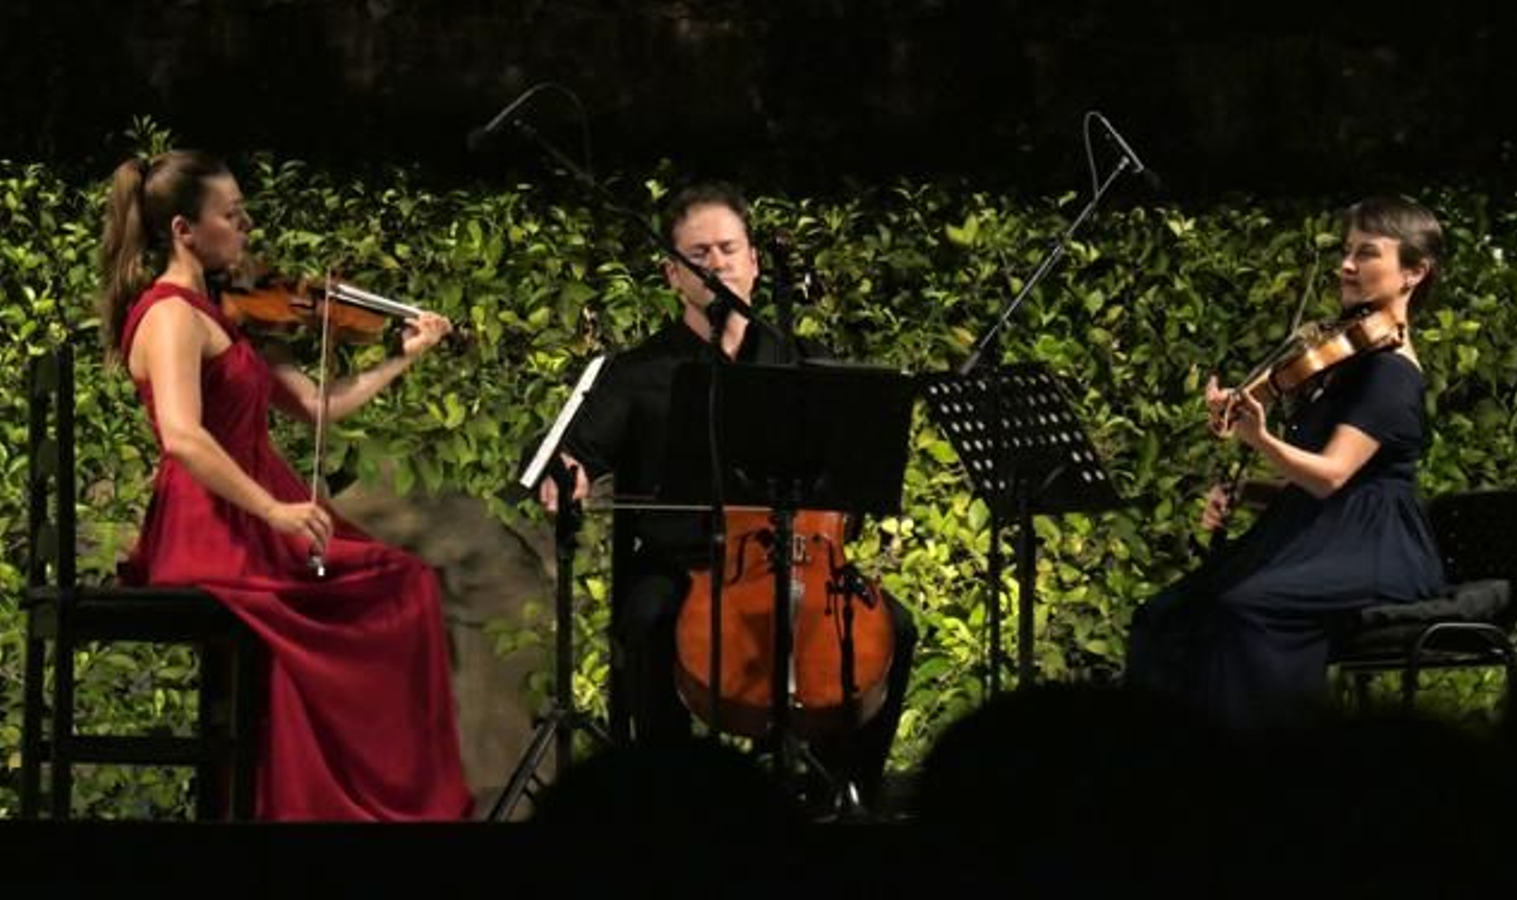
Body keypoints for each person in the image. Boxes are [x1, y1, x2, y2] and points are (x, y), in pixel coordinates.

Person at [99, 149, 472, 820]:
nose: (246, 230)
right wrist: (274, 509)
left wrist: (401, 359)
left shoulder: (221, 313)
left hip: (246, 520)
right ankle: (342, 805)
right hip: (213, 530)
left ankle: (334, 801)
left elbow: (318, 407)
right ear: (184, 230)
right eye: (232, 216)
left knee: (402, 581)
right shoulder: (169, 315)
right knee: (394, 589)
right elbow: (182, 436)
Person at [537, 181, 917, 812]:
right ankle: (672, 803)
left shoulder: (802, 362)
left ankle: (844, 794)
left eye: (728, 249)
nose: (717, 266)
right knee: (649, 618)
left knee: (893, 627)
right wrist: (566, 469)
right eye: (699, 255)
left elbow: (853, 472)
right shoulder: (639, 373)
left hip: (798, 560)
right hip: (685, 571)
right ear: (672, 273)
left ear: (755, 262)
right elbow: (570, 450)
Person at [1124, 195, 1447, 730]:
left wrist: (1260, 438)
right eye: (1346, 252)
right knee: (1167, 614)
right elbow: (1326, 486)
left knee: (1247, 605)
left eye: (1366, 254)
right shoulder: (1347, 361)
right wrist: (1249, 490)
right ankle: (1168, 771)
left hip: (1378, 547)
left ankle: (1269, 772)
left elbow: (1333, 477)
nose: (1345, 265)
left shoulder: (1390, 373)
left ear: (1414, 272)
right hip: (1332, 527)